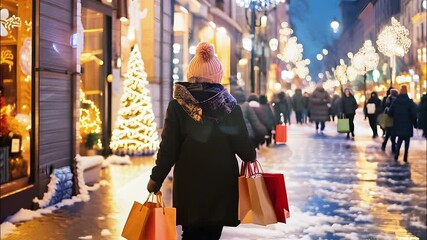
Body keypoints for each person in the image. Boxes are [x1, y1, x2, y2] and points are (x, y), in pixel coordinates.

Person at [147, 42, 256, 240]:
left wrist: (156, 178)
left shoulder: (177, 106)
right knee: (212, 235)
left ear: (191, 75)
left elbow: (168, 148)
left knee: (190, 234)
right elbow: (246, 151)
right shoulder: (230, 107)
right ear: (217, 78)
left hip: (190, 185)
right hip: (221, 187)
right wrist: (250, 152)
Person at [388, 85, 417, 162]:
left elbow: (390, 113)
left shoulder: (396, 102)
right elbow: (414, 115)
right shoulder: (410, 102)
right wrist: (415, 124)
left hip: (398, 124)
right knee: (407, 140)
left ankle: (396, 154)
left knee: (400, 139)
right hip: (408, 125)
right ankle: (405, 156)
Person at [381, 89, 398, 153]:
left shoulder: (387, 99)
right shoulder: (395, 100)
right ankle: (393, 147)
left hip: (388, 118)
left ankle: (385, 144)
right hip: (393, 118)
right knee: (392, 133)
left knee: (388, 133)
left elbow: (383, 107)